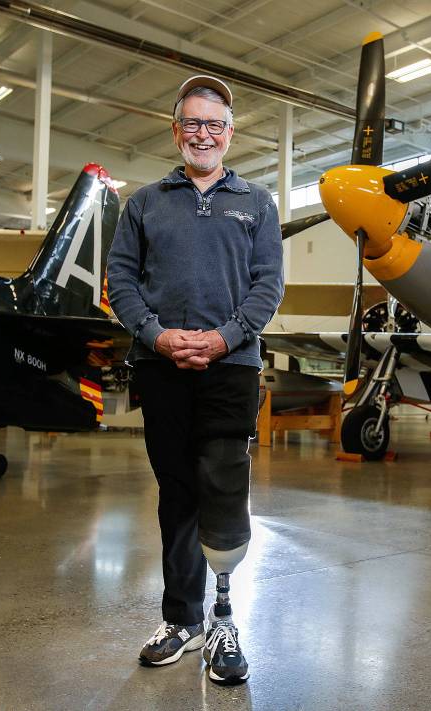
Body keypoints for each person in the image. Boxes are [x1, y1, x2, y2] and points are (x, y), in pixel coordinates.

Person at [106, 75, 284, 685]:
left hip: (231, 368)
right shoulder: (145, 203)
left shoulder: (257, 203)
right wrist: (157, 336)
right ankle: (181, 618)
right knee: (176, 490)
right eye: (192, 123)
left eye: (214, 125)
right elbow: (122, 282)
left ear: (230, 135)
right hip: (160, 368)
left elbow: (268, 286)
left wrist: (224, 338)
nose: (202, 134)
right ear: (174, 128)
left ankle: (225, 620)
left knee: (223, 486)